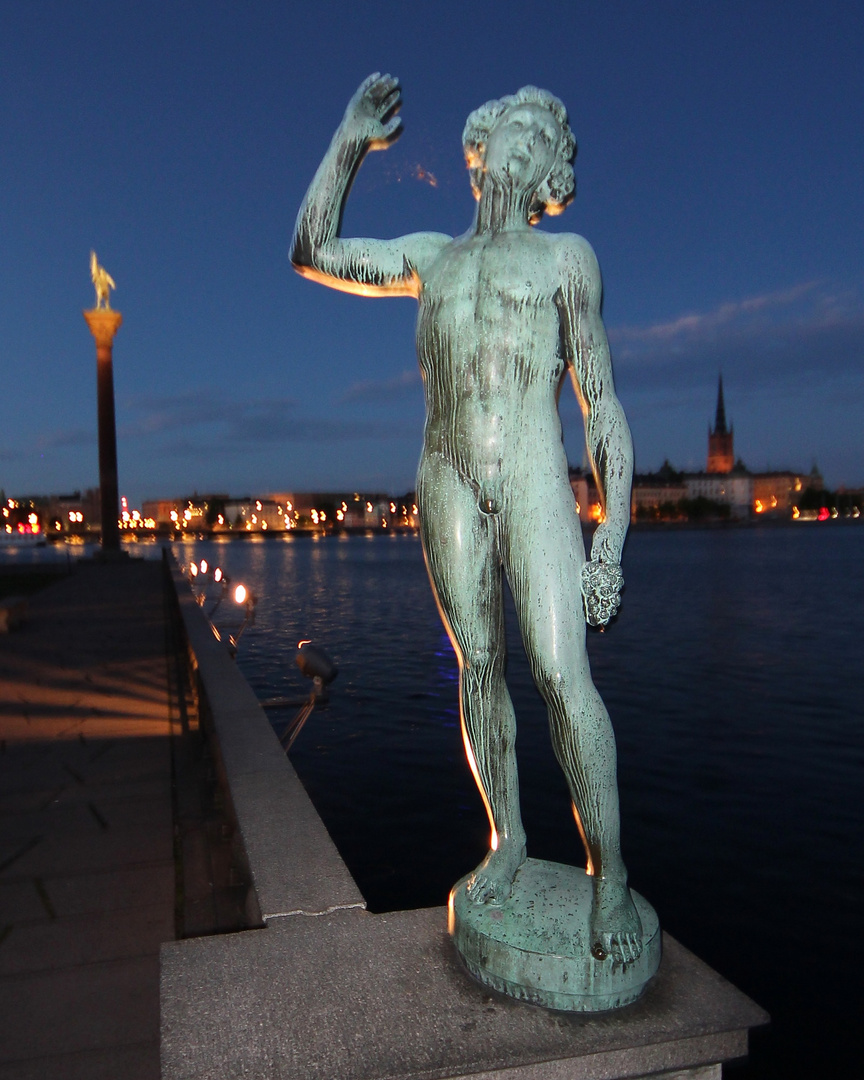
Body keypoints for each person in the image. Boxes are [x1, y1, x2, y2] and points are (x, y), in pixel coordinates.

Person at [292, 74, 641, 963]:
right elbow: (312, 247)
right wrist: (349, 139)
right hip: (444, 477)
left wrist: (610, 541)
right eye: (512, 131)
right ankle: (510, 839)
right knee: (478, 666)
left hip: (530, 477)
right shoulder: (428, 257)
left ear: (551, 168)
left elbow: (601, 408)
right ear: (481, 151)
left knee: (564, 677)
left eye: (540, 137)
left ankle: (611, 877)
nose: (523, 147)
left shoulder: (567, 258)